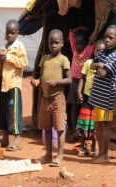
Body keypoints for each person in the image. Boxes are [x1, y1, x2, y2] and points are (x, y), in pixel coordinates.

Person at [30, 29, 72, 167]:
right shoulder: (45, 59)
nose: (53, 45)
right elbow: (43, 76)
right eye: (51, 43)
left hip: (57, 98)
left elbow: (69, 79)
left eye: (56, 43)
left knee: (59, 128)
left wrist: (56, 82)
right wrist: (37, 82)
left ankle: (59, 156)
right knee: (46, 127)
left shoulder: (63, 60)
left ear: (62, 44)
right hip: (45, 98)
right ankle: (48, 154)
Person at [0, 19, 28, 151]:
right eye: (8, 32)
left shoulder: (19, 46)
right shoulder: (3, 47)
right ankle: (5, 138)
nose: (10, 35)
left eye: (12, 33)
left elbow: (24, 62)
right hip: (2, 84)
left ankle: (17, 139)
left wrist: (9, 58)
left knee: (13, 112)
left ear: (17, 33)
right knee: (2, 112)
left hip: (13, 84)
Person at [88, 25, 116, 164]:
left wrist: (98, 65)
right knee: (97, 124)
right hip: (97, 95)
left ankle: (105, 154)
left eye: (110, 38)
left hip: (107, 97)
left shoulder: (115, 57)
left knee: (105, 125)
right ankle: (100, 152)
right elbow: (91, 65)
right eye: (106, 37)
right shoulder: (103, 53)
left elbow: (101, 73)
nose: (107, 40)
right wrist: (100, 65)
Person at [76, 40, 105, 157]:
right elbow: (82, 78)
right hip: (87, 98)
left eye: (102, 51)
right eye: (98, 50)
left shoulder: (105, 66)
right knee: (84, 123)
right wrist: (79, 91)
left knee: (94, 125)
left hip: (97, 99)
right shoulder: (88, 63)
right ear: (94, 51)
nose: (100, 53)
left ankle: (93, 148)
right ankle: (82, 148)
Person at [67, 26, 94, 142]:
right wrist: (79, 28)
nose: (78, 46)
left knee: (84, 109)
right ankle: (74, 132)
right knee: (74, 108)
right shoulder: (74, 50)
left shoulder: (88, 51)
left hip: (83, 84)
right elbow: (71, 33)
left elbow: (94, 40)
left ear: (86, 43)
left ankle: (83, 133)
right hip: (74, 83)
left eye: (81, 44)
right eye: (77, 44)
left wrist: (88, 31)